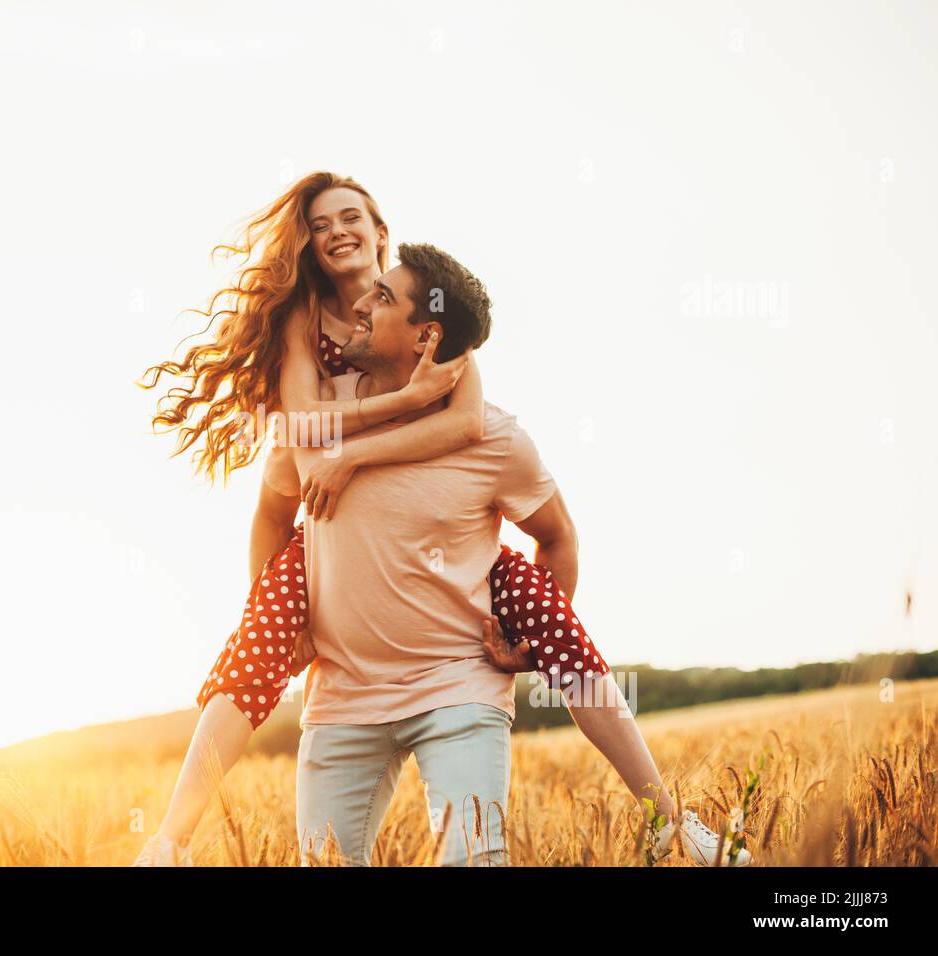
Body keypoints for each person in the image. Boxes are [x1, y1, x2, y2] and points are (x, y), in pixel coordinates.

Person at [135, 174, 748, 867]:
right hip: (338, 635)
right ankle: (169, 840)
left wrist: (357, 451)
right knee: (256, 642)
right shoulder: (304, 328)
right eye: (320, 224)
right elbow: (291, 461)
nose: (337, 235)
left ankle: (665, 815)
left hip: (455, 649)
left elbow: (460, 426)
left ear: (381, 236)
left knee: (550, 620)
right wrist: (293, 611)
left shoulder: (448, 338)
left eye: (352, 219)